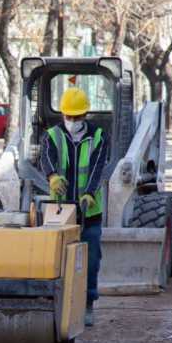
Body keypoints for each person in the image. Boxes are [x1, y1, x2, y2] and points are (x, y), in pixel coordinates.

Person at [39, 87, 110, 327]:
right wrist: (52, 177)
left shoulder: (99, 136)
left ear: (85, 115)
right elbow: (46, 157)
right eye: (68, 117)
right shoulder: (53, 135)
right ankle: (54, 304)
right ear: (63, 115)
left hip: (89, 212)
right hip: (60, 211)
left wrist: (90, 192)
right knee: (55, 260)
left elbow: (98, 168)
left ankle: (88, 303)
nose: (72, 121)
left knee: (90, 261)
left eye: (76, 117)